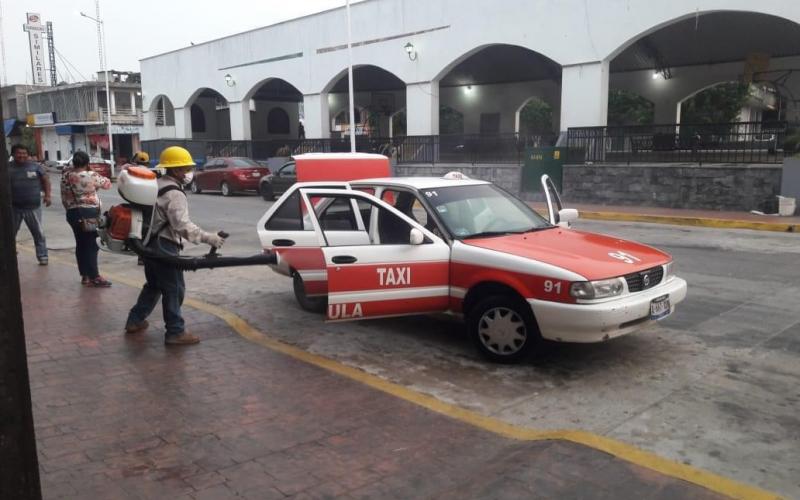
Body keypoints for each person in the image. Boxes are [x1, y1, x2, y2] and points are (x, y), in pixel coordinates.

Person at [124, 146, 226, 345]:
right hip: (165, 245)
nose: (188, 173)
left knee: (153, 285)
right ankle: (175, 331)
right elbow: (182, 225)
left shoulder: (156, 184)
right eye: (186, 169)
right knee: (174, 288)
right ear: (177, 170)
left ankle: (134, 320)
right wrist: (208, 238)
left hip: (148, 244)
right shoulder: (175, 193)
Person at [61, 151, 113, 287]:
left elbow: (64, 195)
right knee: (91, 244)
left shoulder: (66, 175)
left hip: (72, 213)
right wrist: (92, 172)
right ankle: (94, 276)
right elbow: (108, 184)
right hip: (88, 213)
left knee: (81, 244)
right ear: (87, 162)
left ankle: (85, 276)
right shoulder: (90, 175)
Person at [9, 144, 51, 265]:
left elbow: (46, 180)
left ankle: (42, 256)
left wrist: (47, 196)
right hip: (13, 207)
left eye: (24, 153)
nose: (22, 155)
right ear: (13, 154)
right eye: (19, 153)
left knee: (38, 233)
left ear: (27, 154)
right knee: (10, 234)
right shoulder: (7, 168)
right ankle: (10, 255)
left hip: (33, 207)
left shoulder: (36, 167)